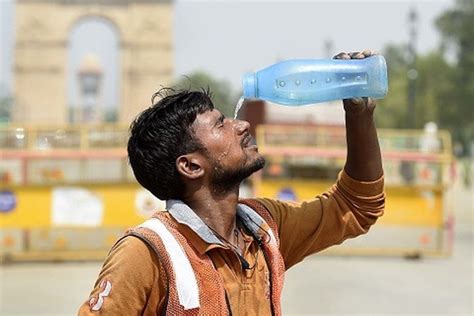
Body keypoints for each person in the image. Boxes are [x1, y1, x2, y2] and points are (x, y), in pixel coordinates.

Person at [78, 50, 385, 315]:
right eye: (220, 124)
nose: (242, 125)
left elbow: (356, 206)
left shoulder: (264, 228)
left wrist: (359, 115)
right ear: (190, 166)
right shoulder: (147, 254)